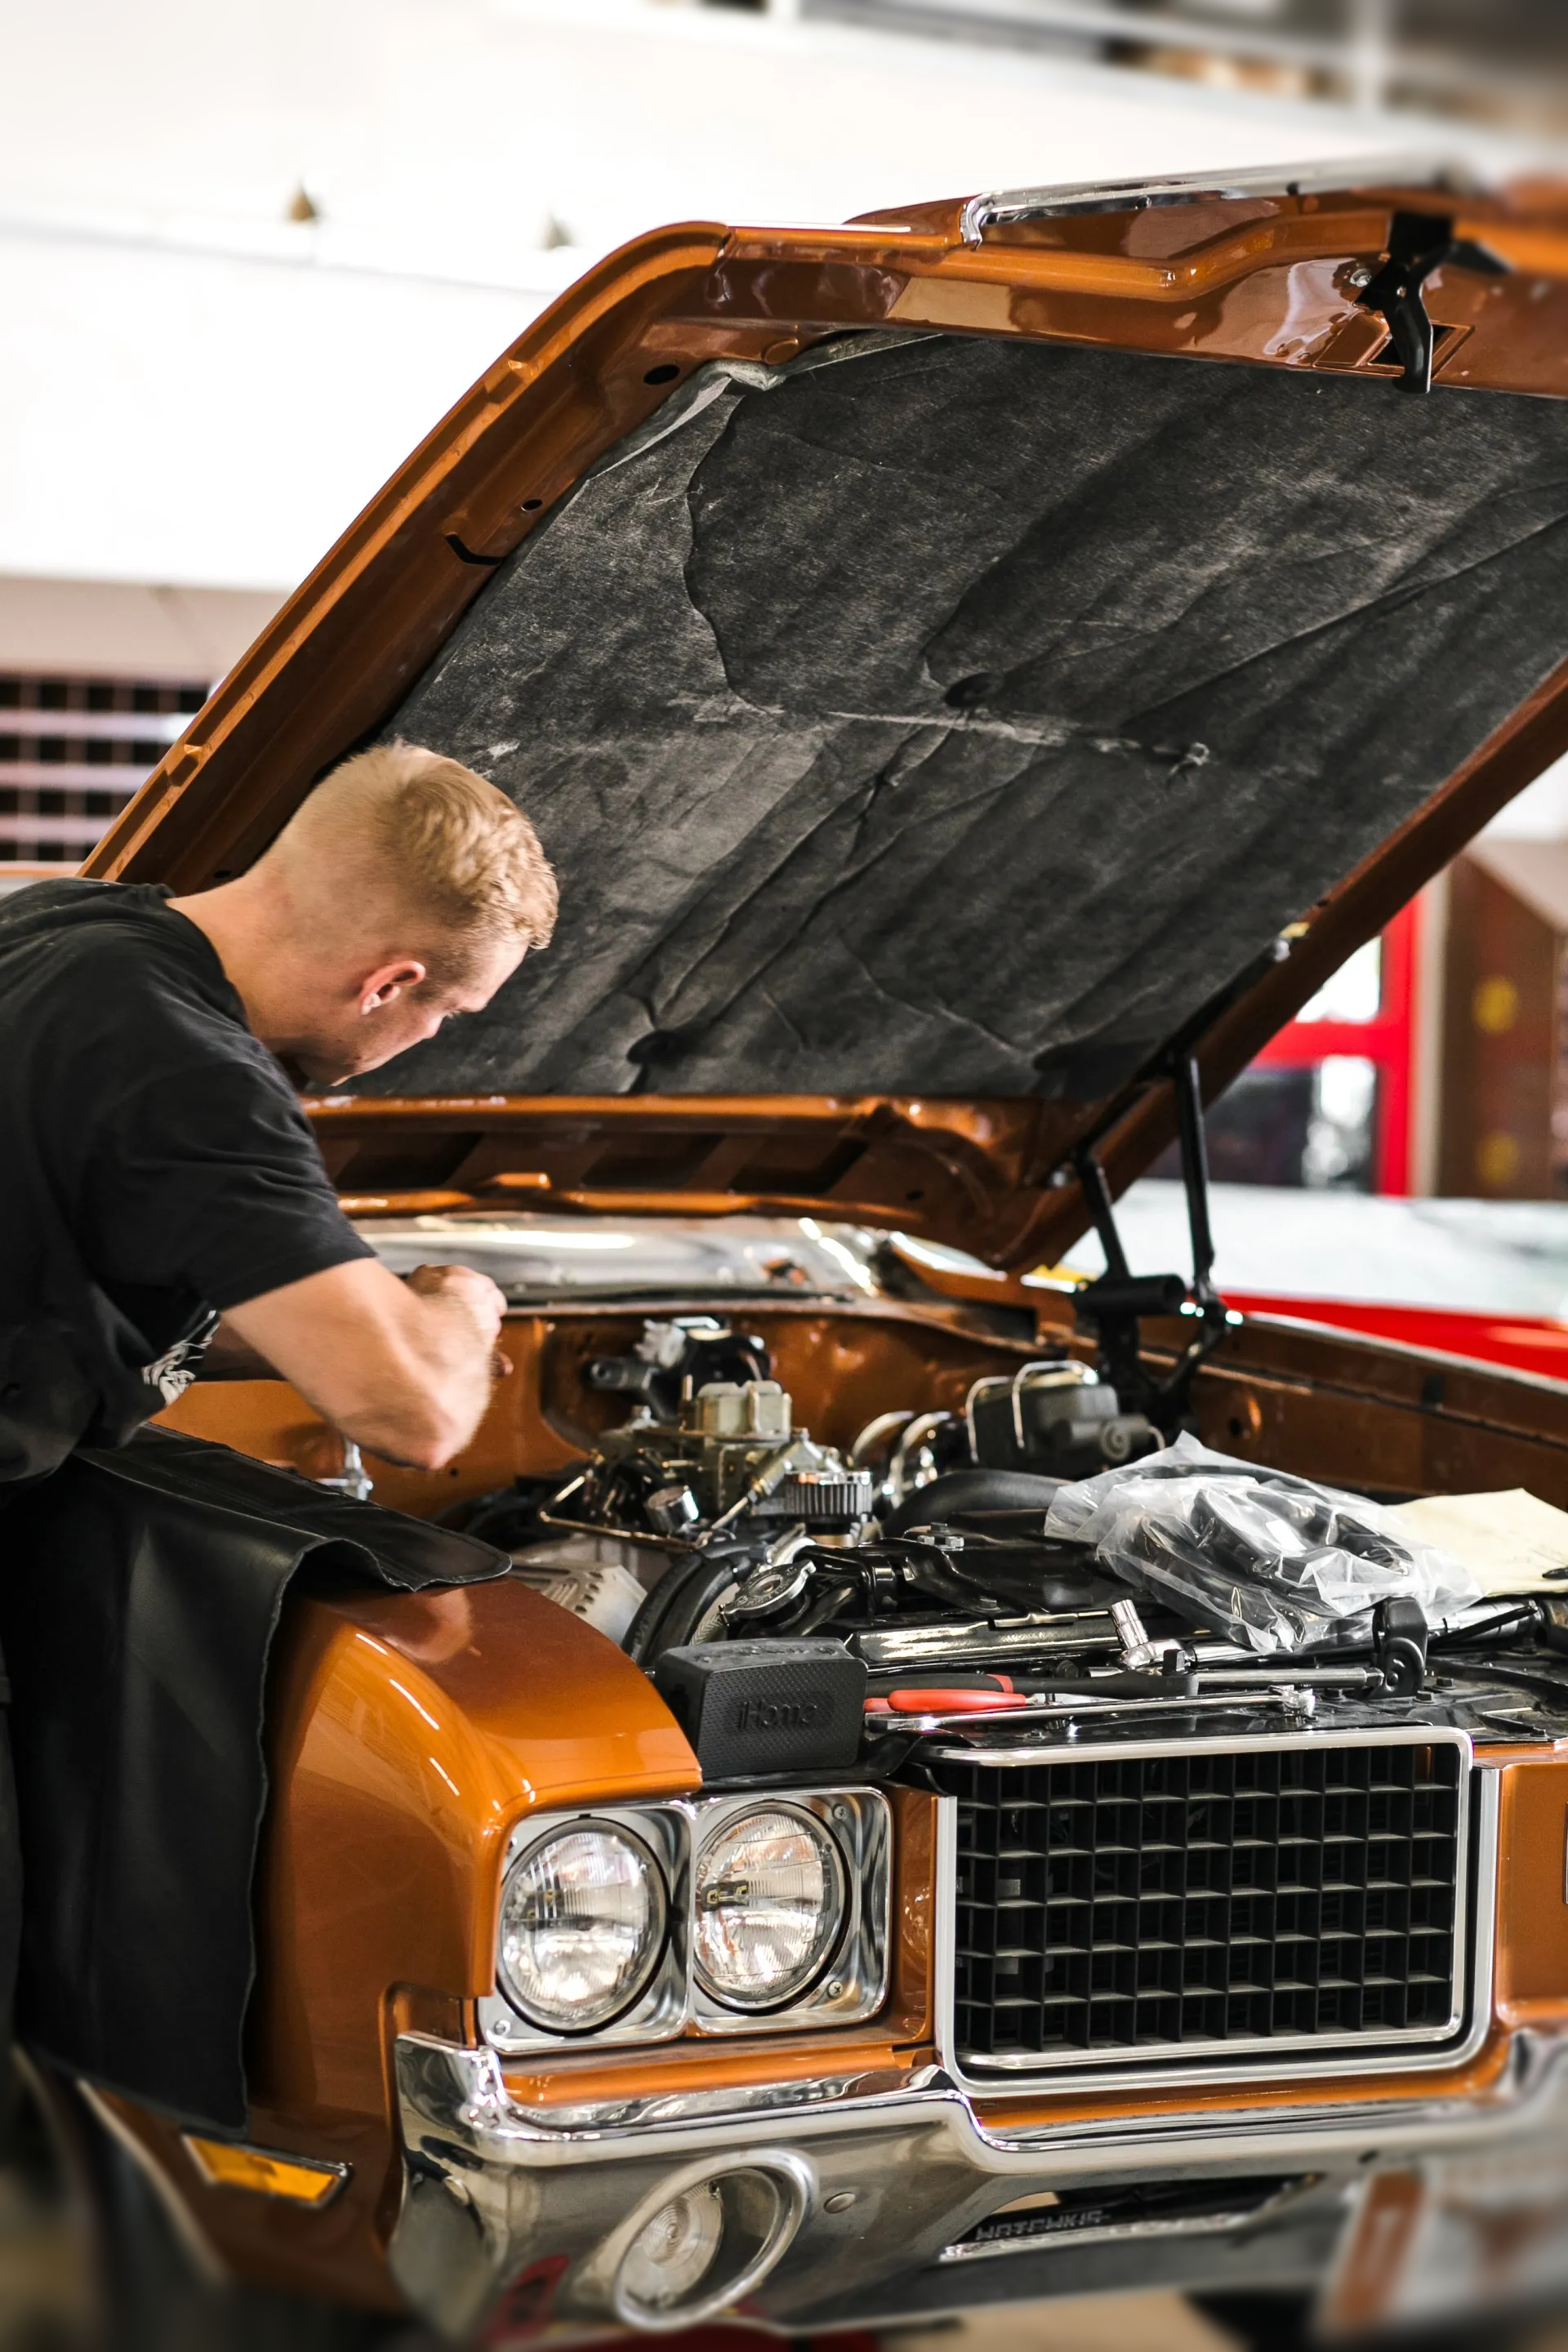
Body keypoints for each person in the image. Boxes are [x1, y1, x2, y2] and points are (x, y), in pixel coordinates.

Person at [0, 740, 558, 1486]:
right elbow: (420, 1418)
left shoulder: (54, 922)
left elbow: (55, 1292)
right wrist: (453, 1312)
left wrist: (333, 1335)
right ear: (388, 985)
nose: (432, 1038)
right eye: (452, 1014)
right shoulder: (198, 1079)